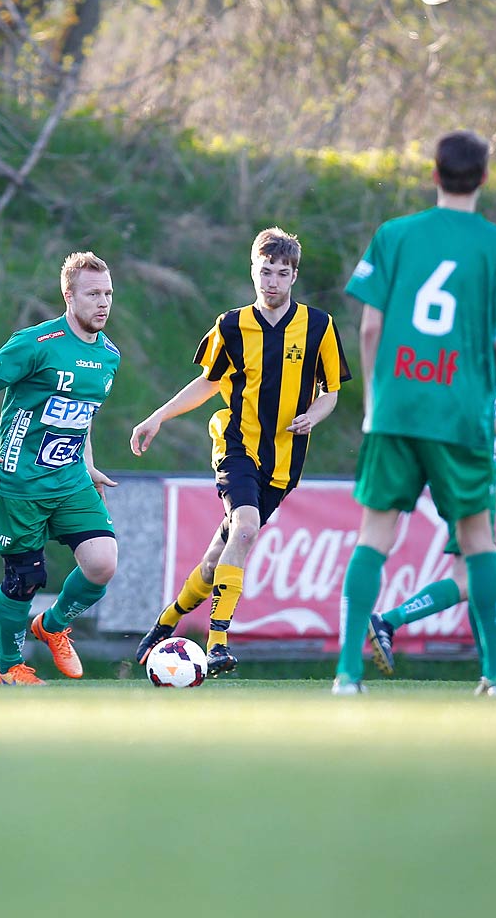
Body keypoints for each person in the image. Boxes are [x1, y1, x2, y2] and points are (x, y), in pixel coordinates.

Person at [334, 130, 496, 697]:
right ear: (486, 178)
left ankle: (348, 673)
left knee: (375, 535)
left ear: (433, 174)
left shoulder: (394, 235)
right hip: (461, 412)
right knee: (477, 541)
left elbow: (370, 326)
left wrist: (375, 400)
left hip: (396, 408)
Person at [128, 227, 351, 676]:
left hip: (284, 462)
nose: (271, 281)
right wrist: (157, 416)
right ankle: (217, 644)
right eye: (264, 271)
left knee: (216, 560)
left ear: (294, 277)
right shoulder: (231, 325)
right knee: (245, 529)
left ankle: (164, 624)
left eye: (281, 274)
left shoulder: (320, 326)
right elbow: (209, 382)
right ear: (253, 270)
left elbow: (330, 391)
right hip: (236, 445)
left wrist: (316, 414)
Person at [0, 252, 121, 685]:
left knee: (102, 563)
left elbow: (81, 416)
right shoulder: (36, 343)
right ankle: (9, 667)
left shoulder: (109, 356)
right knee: (24, 579)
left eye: (107, 293)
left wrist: (88, 466)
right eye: (92, 294)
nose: (103, 303)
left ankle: (51, 627)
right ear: (68, 296)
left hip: (70, 480)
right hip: (18, 478)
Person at [367, 405, 496, 685]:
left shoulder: (486, 366)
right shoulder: (476, 360)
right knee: (475, 576)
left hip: (464, 469)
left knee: (477, 575)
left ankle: (493, 668)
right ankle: (389, 620)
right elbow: (459, 413)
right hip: (467, 471)